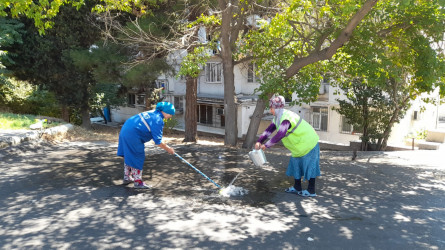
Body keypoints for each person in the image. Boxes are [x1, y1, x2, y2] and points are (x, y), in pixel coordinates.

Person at [255, 95, 320, 197]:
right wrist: (259, 141)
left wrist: (266, 146)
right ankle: (297, 187)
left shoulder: (286, 118)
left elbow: (280, 134)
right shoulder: (277, 118)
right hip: (298, 147)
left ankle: (311, 190)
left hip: (309, 143)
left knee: (310, 166)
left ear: (276, 108)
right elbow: (269, 130)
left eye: (271, 108)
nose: (270, 110)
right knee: (296, 165)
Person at [117, 102, 176, 189]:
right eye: (171, 114)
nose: (171, 116)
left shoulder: (153, 113)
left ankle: (127, 177)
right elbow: (158, 141)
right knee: (137, 156)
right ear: (165, 112)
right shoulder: (158, 119)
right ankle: (138, 182)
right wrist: (168, 149)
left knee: (129, 155)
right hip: (133, 134)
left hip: (126, 129)